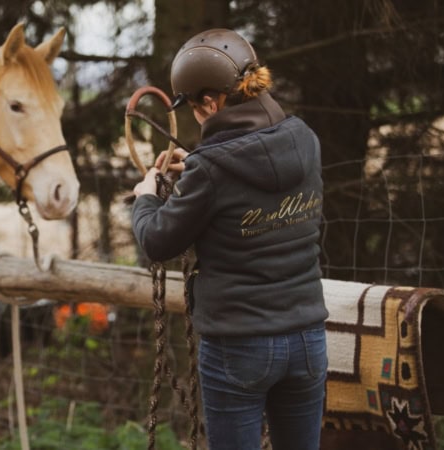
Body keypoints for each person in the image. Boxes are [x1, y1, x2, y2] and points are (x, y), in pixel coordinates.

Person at [131, 28, 329, 450]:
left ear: (210, 102)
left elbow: (158, 242)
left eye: (195, 108)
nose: (197, 118)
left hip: (239, 345)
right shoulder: (306, 140)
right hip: (308, 338)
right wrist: (199, 170)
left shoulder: (211, 170)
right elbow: (245, 179)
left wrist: (146, 198)